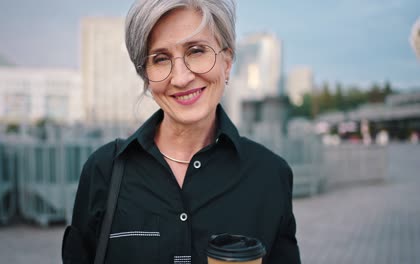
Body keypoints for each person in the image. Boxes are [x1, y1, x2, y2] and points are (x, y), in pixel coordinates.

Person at [62, 0, 301, 263]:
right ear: (146, 76)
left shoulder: (270, 175)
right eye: (160, 58)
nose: (181, 77)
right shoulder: (104, 171)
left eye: (197, 51)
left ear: (228, 62)